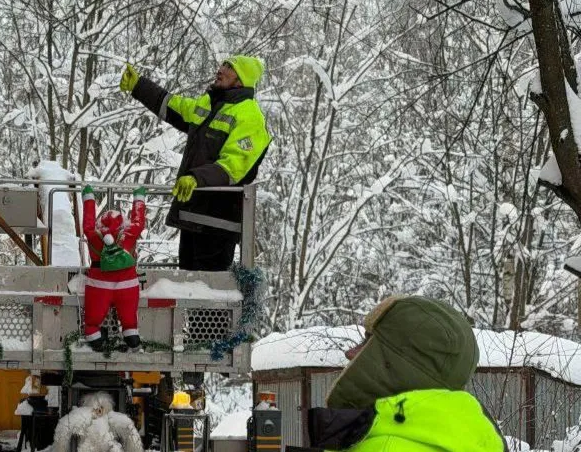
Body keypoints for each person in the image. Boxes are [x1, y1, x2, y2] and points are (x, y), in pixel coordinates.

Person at [120, 57, 271, 271]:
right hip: (192, 215)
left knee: (206, 295)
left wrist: (196, 178)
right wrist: (139, 86)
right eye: (223, 65)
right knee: (189, 291)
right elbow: (176, 107)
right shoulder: (210, 104)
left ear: (241, 80)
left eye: (229, 67)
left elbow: (235, 165)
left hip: (217, 223)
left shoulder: (250, 116)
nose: (220, 69)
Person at [303, 296, 507, 451]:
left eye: (368, 341)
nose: (350, 353)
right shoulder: (476, 439)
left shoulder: (385, 446)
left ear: (395, 363)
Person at [81, 184, 146, 352]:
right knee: (129, 315)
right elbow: (139, 221)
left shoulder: (94, 234)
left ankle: (94, 336)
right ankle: (131, 334)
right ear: (122, 222)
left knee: (93, 318)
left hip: (99, 284)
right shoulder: (129, 233)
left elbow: (87, 223)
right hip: (127, 284)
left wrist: (88, 198)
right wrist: (139, 198)